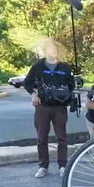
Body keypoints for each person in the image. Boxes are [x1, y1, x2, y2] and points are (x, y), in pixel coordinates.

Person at [23, 38, 75, 178]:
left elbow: (72, 85)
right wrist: (33, 94)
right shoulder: (38, 66)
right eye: (52, 49)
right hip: (43, 106)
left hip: (60, 107)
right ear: (45, 51)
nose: (55, 51)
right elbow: (27, 83)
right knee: (42, 138)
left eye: (56, 49)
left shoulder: (65, 68)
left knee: (62, 138)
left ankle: (63, 166)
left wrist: (67, 94)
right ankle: (43, 166)